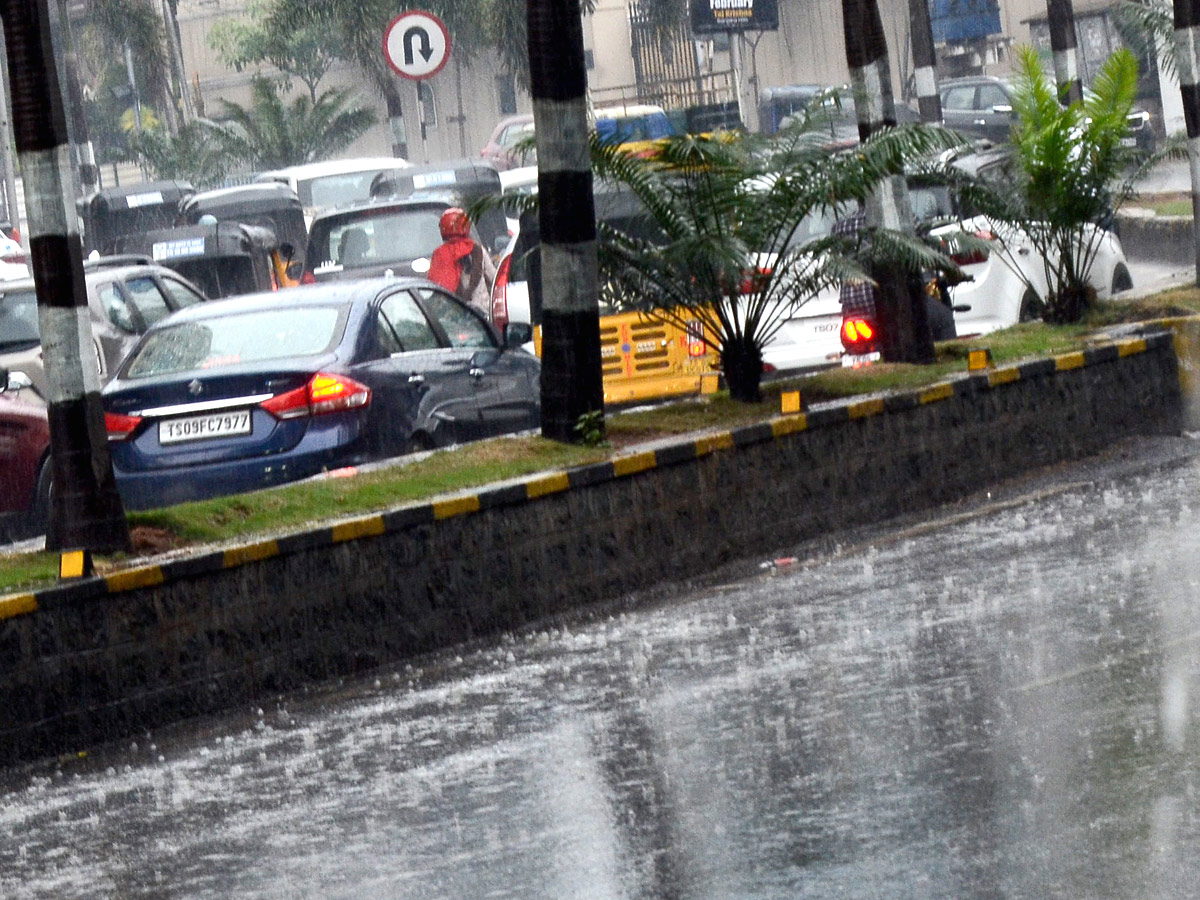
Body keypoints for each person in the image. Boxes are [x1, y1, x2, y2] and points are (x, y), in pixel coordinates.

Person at [428, 207, 495, 313]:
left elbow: (434, 284)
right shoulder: (477, 248)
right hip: (482, 310)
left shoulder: (439, 254)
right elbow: (493, 277)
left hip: (452, 312)